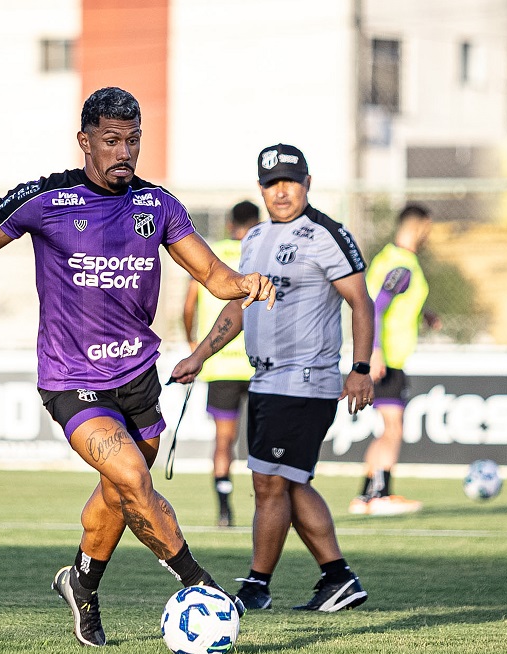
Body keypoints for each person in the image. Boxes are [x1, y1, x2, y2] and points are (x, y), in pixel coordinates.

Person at [0, 87, 276, 647]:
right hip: (73, 380)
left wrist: (245, 283)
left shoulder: (158, 206)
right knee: (131, 479)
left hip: (139, 377)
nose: (125, 152)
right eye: (112, 140)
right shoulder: (45, 199)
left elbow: (215, 278)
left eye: (133, 140)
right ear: (85, 142)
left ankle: (82, 583)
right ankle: (204, 587)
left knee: (119, 495)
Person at [171, 143, 375, 612]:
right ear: (260, 188)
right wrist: (200, 354)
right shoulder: (254, 238)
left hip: (306, 380)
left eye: (289, 181)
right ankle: (337, 577)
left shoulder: (327, 234)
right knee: (287, 481)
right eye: (270, 183)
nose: (280, 191)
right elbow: (239, 305)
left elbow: (360, 302)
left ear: (307, 182)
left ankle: (257, 586)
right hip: (265, 380)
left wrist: (361, 369)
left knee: (269, 481)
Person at [348, 204, 439, 516]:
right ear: (420, 227)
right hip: (386, 359)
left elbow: (389, 300)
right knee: (393, 429)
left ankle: (365, 497)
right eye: (428, 229)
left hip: (386, 356)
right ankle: (380, 495)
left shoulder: (390, 258)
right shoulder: (402, 264)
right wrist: (375, 352)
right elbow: (375, 307)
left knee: (387, 429)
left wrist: (424, 314)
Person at [181, 200, 260, 527]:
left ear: (230, 223)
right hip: (257, 364)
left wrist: (193, 343)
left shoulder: (209, 257)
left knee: (224, 440)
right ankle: (266, 508)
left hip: (219, 364)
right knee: (261, 442)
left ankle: (225, 510)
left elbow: (188, 308)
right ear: (256, 225)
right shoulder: (258, 256)